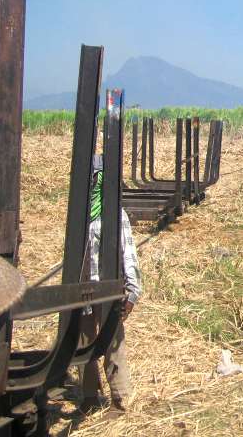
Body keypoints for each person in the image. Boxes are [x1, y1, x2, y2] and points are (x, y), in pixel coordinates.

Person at [80, 154, 143, 416]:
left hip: (109, 291)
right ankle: (89, 395)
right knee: (83, 343)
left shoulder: (116, 215)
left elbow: (128, 253)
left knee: (113, 343)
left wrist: (132, 293)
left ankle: (119, 399)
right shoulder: (80, 216)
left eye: (97, 180)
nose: (94, 184)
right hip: (82, 292)